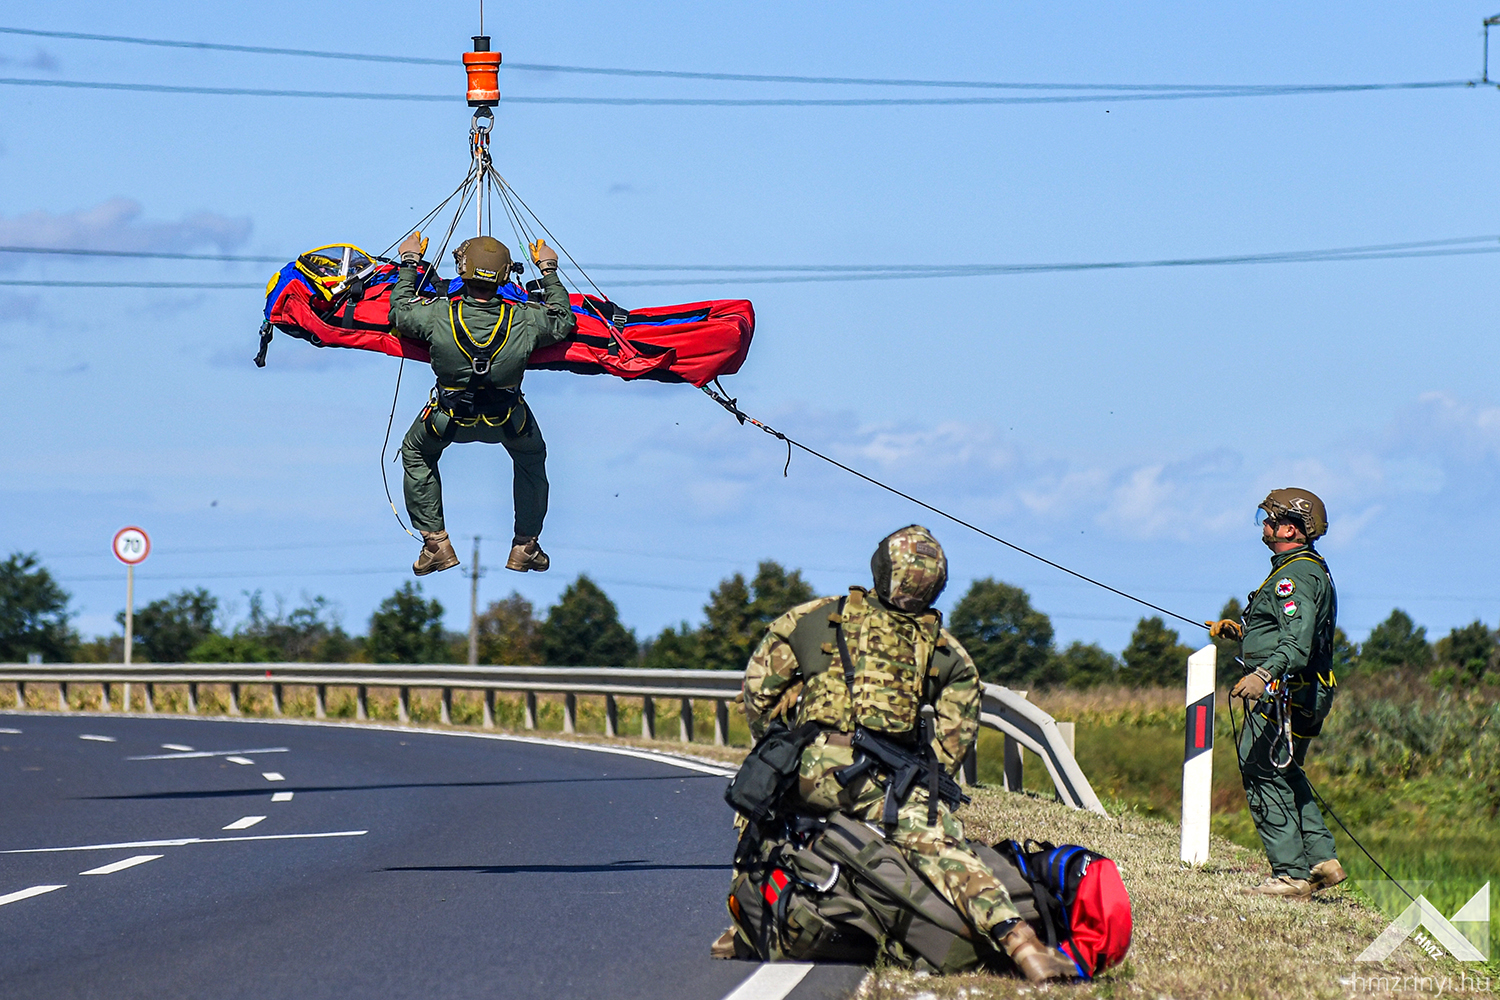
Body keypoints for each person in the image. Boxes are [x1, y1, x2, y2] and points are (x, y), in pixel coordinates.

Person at [739, 525, 1077, 982]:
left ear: (880, 568)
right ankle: (1023, 944)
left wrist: (778, 744)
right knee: (942, 848)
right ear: (938, 584)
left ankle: (746, 929)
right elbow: (955, 738)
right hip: (879, 783)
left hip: (802, 772)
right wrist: (918, 779)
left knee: (758, 813)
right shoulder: (945, 650)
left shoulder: (813, 616)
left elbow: (758, 688)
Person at [390, 231, 576, 576]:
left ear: (463, 269)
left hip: (447, 420)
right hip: (508, 420)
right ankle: (526, 546)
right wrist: (548, 269)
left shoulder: (436, 315)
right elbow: (564, 319)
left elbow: (399, 312)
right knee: (531, 458)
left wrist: (410, 261)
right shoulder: (526, 319)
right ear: (505, 275)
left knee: (415, 452)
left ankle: (435, 544)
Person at [1208, 488, 1345, 899]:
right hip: (1304, 691)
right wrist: (1244, 634)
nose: (1264, 526)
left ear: (1291, 529)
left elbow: (1297, 643)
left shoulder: (1293, 576)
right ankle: (1321, 860)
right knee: (1285, 770)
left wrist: (1262, 674)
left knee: (1261, 769)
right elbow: (1290, 631)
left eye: (1270, 519)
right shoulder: (1307, 569)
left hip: (1286, 692)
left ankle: (1289, 875)